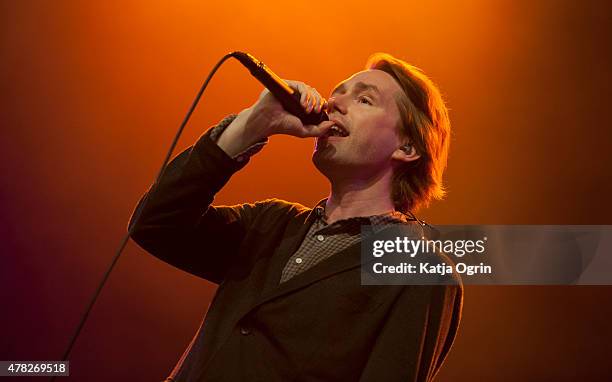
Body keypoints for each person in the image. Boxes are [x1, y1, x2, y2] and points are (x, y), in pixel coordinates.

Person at [128, 53, 462, 382]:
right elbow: (156, 223)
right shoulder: (271, 222)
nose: (335, 104)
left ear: (407, 147)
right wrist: (252, 125)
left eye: (364, 100)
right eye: (337, 93)